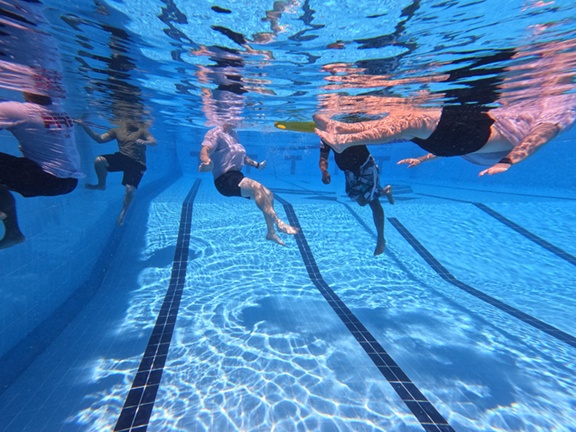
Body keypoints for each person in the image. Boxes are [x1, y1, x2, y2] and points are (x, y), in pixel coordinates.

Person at [0, 92, 84, 249]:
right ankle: (13, 232)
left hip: (46, 178)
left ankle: (12, 230)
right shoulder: (59, 111)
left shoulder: (19, 110)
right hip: (68, 182)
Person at [198, 122, 299, 246]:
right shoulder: (215, 133)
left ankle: (271, 233)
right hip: (223, 180)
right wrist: (207, 162)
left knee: (269, 195)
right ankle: (278, 223)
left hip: (236, 176)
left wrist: (256, 165)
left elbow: (242, 157)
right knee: (256, 187)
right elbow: (205, 150)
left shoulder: (234, 133)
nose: (238, 119)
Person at [75, 117, 157, 225]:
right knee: (99, 161)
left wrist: (145, 142)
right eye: (131, 117)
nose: (135, 120)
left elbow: (154, 142)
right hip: (123, 158)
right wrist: (84, 125)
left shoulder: (141, 130)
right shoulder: (117, 130)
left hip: (138, 163)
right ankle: (101, 185)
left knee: (130, 189)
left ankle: (123, 213)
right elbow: (99, 139)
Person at [319, 139, 394, 255]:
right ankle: (384, 191)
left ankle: (381, 239)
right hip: (349, 171)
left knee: (373, 202)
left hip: (366, 165)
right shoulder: (325, 136)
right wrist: (324, 171)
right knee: (362, 201)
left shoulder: (350, 127)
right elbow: (323, 157)